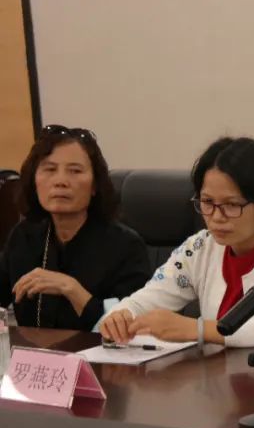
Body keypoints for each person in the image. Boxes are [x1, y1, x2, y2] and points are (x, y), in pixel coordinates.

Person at [100, 137, 254, 347]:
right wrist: (120, 316)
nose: (217, 217)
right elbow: (146, 300)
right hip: (221, 376)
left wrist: (198, 329)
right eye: (207, 202)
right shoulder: (199, 248)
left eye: (232, 204)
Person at [0, 125, 150, 330]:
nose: (61, 181)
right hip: (33, 351)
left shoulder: (125, 245)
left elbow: (131, 326)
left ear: (95, 185)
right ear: (34, 180)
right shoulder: (24, 236)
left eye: (75, 171)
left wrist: (70, 289)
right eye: (50, 169)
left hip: (101, 351)